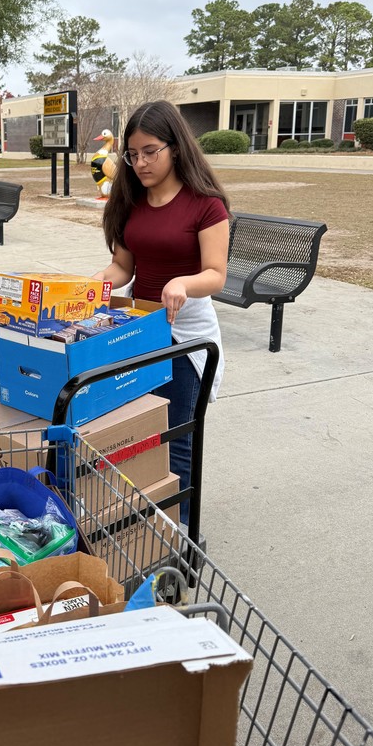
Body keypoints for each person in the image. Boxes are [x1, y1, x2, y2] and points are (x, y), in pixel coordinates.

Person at [93, 101, 230, 525]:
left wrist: (183, 283)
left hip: (187, 336)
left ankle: (179, 530)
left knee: (177, 436)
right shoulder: (131, 201)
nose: (140, 163)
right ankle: (142, 514)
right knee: (135, 428)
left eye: (150, 151)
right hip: (140, 328)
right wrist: (91, 287)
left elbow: (216, 274)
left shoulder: (206, 205)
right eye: (132, 155)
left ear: (176, 147)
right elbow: (122, 268)